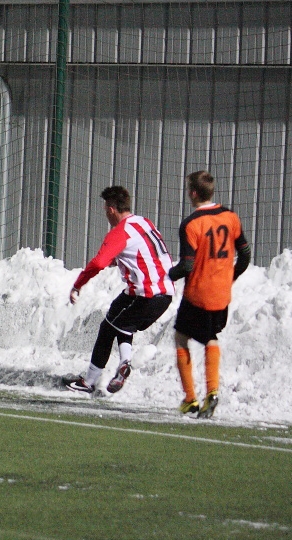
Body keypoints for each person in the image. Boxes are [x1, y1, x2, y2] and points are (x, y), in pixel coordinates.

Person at [65, 186, 175, 395]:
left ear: (111, 210)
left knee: (113, 326)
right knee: (116, 319)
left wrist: (78, 284)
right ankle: (115, 369)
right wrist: (119, 260)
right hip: (163, 291)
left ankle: (96, 378)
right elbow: (144, 252)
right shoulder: (144, 222)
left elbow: (98, 263)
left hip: (148, 294)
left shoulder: (119, 232)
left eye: (106, 209)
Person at [167, 171, 251, 419]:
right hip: (221, 295)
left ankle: (190, 398)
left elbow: (187, 266)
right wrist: (231, 276)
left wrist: (167, 275)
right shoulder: (230, 217)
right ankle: (212, 392)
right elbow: (245, 255)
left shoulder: (191, 224)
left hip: (197, 294)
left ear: (193, 193)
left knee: (181, 337)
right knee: (210, 337)